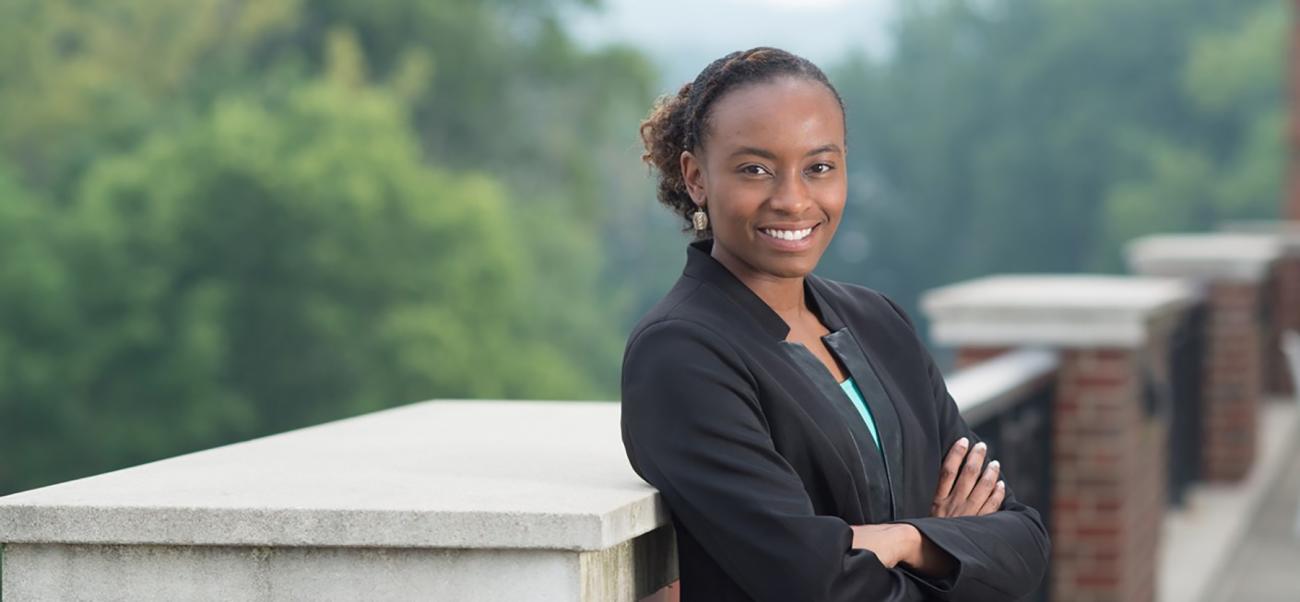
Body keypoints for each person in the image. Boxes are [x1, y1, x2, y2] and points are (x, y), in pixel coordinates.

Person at [619, 47, 1050, 602]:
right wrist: (948, 547)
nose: (793, 200)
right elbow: (811, 583)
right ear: (696, 178)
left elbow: (1024, 542)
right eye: (755, 170)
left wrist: (903, 539)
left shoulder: (879, 323)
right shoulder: (681, 353)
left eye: (819, 167)